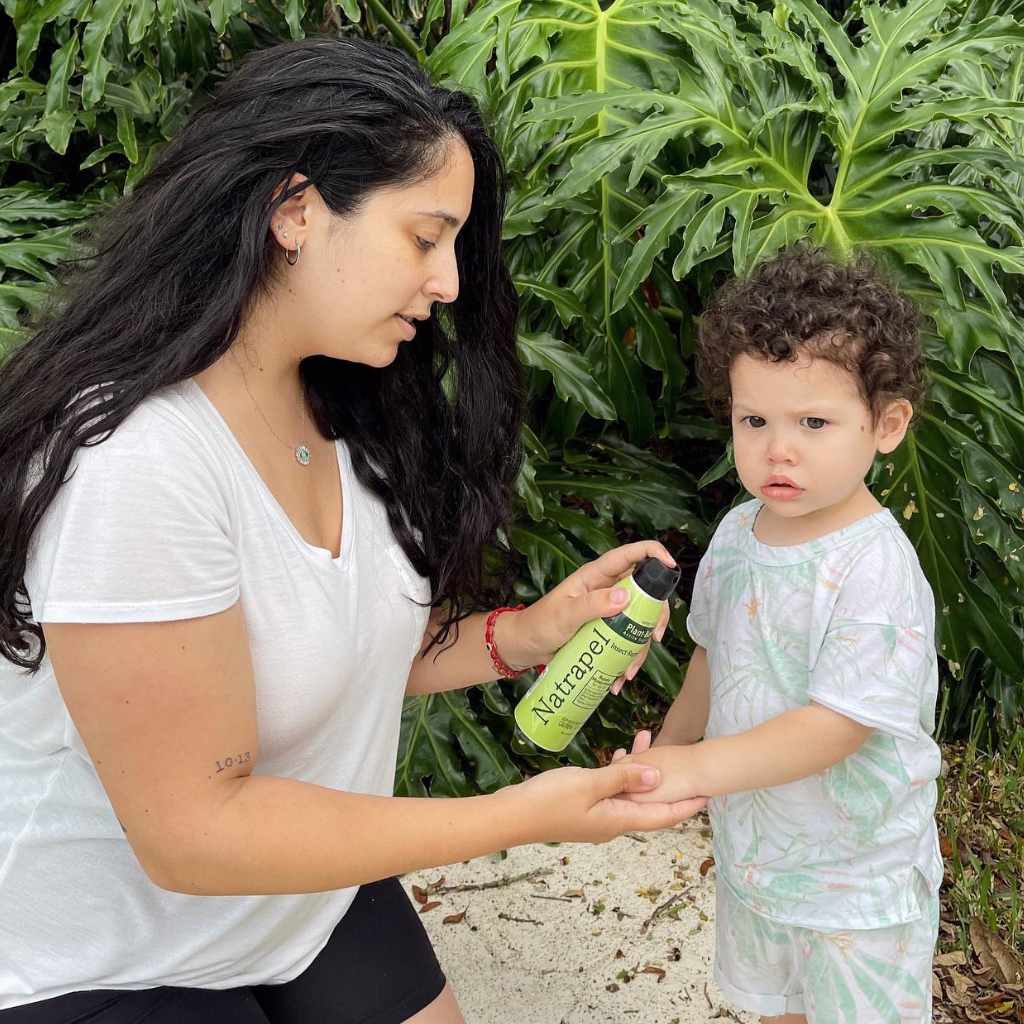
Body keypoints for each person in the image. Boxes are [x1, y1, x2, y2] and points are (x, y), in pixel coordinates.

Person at [0, 37, 706, 1023]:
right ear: (295, 211)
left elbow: (314, 644)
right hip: (107, 951)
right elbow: (194, 832)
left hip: (296, 900)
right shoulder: (137, 464)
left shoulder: (335, 410)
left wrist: (525, 633)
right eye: (424, 237)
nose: (450, 280)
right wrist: (509, 819)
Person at [616, 246, 943, 1023]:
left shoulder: (875, 569)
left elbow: (833, 729)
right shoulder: (737, 533)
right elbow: (711, 655)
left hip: (855, 885)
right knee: (777, 1012)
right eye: (753, 419)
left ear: (887, 425)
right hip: (760, 862)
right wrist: (667, 753)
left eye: (814, 422)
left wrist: (695, 771)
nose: (777, 448)